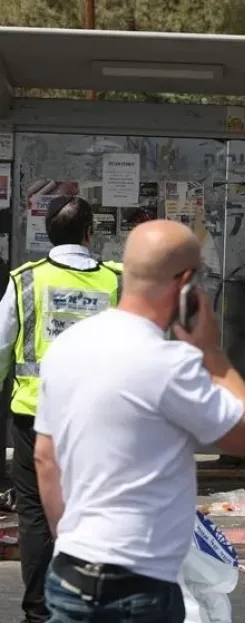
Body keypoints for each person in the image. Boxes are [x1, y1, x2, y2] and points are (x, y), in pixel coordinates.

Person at [33, 219, 245, 622]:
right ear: (187, 282)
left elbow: (45, 459)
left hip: (70, 568)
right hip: (139, 581)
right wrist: (211, 352)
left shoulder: (67, 347)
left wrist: (69, 539)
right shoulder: (171, 364)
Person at [0, 195, 121, 623]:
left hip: (36, 418)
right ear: (90, 233)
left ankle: (39, 612)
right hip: (100, 420)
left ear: (47, 232)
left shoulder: (25, 280)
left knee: (35, 516)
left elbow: (0, 347)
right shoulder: (117, 281)